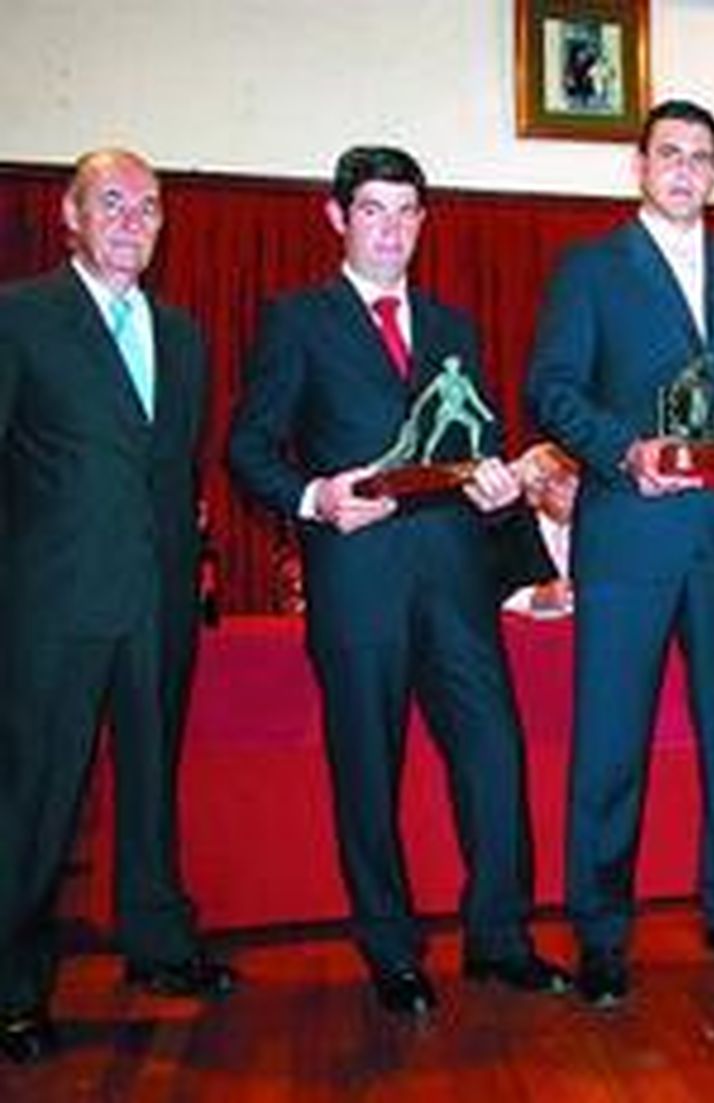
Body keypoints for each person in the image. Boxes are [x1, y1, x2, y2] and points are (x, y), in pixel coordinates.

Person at [229, 146, 568, 1019]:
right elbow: (249, 449)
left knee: (494, 759)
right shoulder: (297, 319)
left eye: (406, 210)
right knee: (368, 772)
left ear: (424, 220)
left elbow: (472, 446)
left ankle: (501, 937)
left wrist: (496, 488)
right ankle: (391, 950)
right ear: (338, 218)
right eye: (372, 210)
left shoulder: (455, 326)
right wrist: (315, 497)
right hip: (359, 582)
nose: (391, 228)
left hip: (456, 578)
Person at [525, 100, 714, 1009]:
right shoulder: (591, 267)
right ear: (640, 167)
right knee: (612, 742)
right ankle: (602, 932)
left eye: (702, 158)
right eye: (671, 155)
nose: (686, 170)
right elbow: (551, 387)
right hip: (630, 535)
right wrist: (623, 452)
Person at [0, 149, 235, 1065]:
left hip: (160, 602)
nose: (134, 218)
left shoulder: (182, 334)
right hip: (51, 604)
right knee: (34, 798)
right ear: (70, 215)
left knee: (151, 784)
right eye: (113, 202)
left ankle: (160, 945)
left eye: (149, 205)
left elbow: (171, 472)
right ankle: (14, 987)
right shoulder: (20, 317)